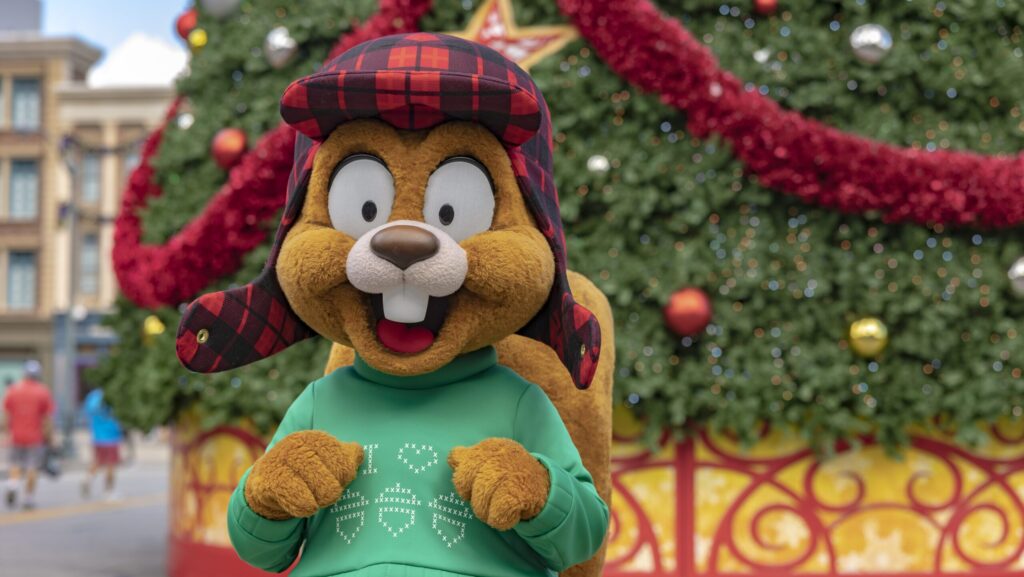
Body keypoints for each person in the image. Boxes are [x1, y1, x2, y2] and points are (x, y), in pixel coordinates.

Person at [2, 360, 54, 510]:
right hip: (35, 437)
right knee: (32, 467)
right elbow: (47, 418)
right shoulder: (43, 391)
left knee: (15, 464)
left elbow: (6, 414)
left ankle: (12, 485)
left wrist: (7, 432)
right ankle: (28, 499)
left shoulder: (13, 390)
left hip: (16, 435)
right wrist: (50, 437)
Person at [80, 387, 124, 501]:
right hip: (111, 435)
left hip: (97, 436)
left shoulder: (92, 396)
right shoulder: (114, 395)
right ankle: (108, 491)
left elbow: (87, 413)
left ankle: (87, 479)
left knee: (98, 462)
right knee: (111, 465)